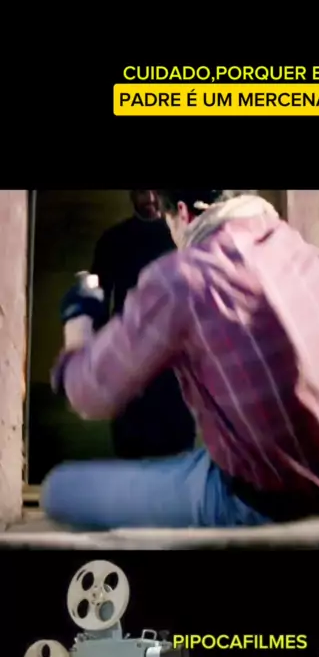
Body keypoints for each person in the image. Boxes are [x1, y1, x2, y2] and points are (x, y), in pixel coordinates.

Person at [41, 190, 319, 530]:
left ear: (182, 213)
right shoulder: (300, 250)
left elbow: (88, 395)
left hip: (263, 500)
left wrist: (78, 317)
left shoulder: (187, 274)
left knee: (60, 490)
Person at [89, 189, 196, 458]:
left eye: (155, 190)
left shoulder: (185, 238)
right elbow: (97, 306)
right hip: (129, 361)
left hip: (177, 364)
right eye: (141, 190)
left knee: (177, 447)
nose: (149, 198)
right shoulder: (114, 241)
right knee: (131, 446)